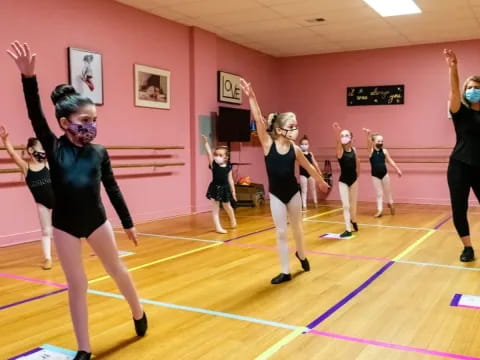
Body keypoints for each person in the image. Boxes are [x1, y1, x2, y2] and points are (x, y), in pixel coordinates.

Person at [7, 41, 147, 360]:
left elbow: (112, 189)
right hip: (65, 225)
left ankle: (138, 311)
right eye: (84, 119)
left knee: (117, 269)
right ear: (65, 123)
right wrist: (29, 79)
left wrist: (128, 223)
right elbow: (34, 115)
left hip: (97, 222)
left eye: (94, 118)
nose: (91, 125)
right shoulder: (53, 149)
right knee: (77, 284)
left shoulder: (99, 153)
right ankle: (83, 347)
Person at [240, 78, 330, 284]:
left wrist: (320, 181)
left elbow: (309, 168)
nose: (295, 129)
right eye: (291, 126)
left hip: (293, 194)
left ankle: (302, 254)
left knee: (297, 228)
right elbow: (259, 120)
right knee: (281, 233)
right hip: (276, 196)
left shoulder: (295, 149)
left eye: (296, 125)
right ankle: (285, 271)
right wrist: (252, 96)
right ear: (280, 130)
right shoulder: (267, 144)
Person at [444, 48, 480, 262]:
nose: (473, 90)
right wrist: (453, 67)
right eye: (470, 87)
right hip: (459, 165)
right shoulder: (460, 111)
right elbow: (454, 91)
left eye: (477, 88)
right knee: (459, 207)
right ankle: (467, 247)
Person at [0, 127, 54, 269]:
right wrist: (5, 140)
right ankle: (48, 258)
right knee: (46, 230)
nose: (42, 151)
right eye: (39, 148)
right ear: (31, 150)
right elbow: (12, 154)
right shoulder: (26, 167)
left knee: (65, 229)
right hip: (42, 203)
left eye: (43, 148)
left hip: (58, 202)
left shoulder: (48, 165)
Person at [363, 128, 402, 217]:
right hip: (375, 176)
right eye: (378, 141)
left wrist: (397, 169)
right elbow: (368, 145)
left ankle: (391, 203)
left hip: (385, 175)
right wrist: (368, 135)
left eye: (382, 141)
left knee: (388, 191)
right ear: (374, 142)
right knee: (379, 193)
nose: (380, 142)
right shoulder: (370, 151)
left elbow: (390, 160)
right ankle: (379, 210)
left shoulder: (384, 151)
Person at [202, 135, 237, 234]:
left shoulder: (228, 167)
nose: (217, 156)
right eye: (216, 154)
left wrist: (233, 192)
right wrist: (206, 143)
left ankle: (233, 219)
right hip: (215, 188)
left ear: (226, 157)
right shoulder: (214, 165)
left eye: (220, 155)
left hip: (225, 188)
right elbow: (209, 154)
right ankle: (218, 227)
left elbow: (230, 179)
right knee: (215, 208)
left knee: (227, 206)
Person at [332, 123, 360, 238]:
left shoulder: (354, 149)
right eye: (342, 135)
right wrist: (337, 132)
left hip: (353, 181)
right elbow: (338, 142)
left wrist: (356, 177)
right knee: (346, 205)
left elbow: (358, 164)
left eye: (346, 135)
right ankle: (348, 229)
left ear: (351, 138)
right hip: (343, 181)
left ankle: (353, 220)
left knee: (353, 205)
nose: (344, 137)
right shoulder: (339, 151)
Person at [298, 135, 321, 209]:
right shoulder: (299, 154)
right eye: (303, 144)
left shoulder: (310, 154)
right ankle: (304, 205)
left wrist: (319, 171)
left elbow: (315, 163)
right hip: (303, 174)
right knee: (304, 190)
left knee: (313, 189)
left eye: (306, 144)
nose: (304, 145)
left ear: (308, 145)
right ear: (300, 145)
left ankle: (315, 202)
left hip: (311, 174)